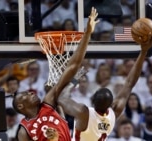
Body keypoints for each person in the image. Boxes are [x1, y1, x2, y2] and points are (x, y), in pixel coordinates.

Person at [57, 24, 152, 141]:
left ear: (93, 100)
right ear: (112, 103)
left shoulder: (84, 113)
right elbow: (130, 83)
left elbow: (61, 98)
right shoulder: (113, 113)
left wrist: (75, 80)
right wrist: (143, 52)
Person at [12, 7, 99, 141]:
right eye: (25, 95)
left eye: (27, 92)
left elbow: (73, 66)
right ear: (20, 106)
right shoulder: (24, 131)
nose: (30, 93)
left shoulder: (49, 102)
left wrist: (87, 34)